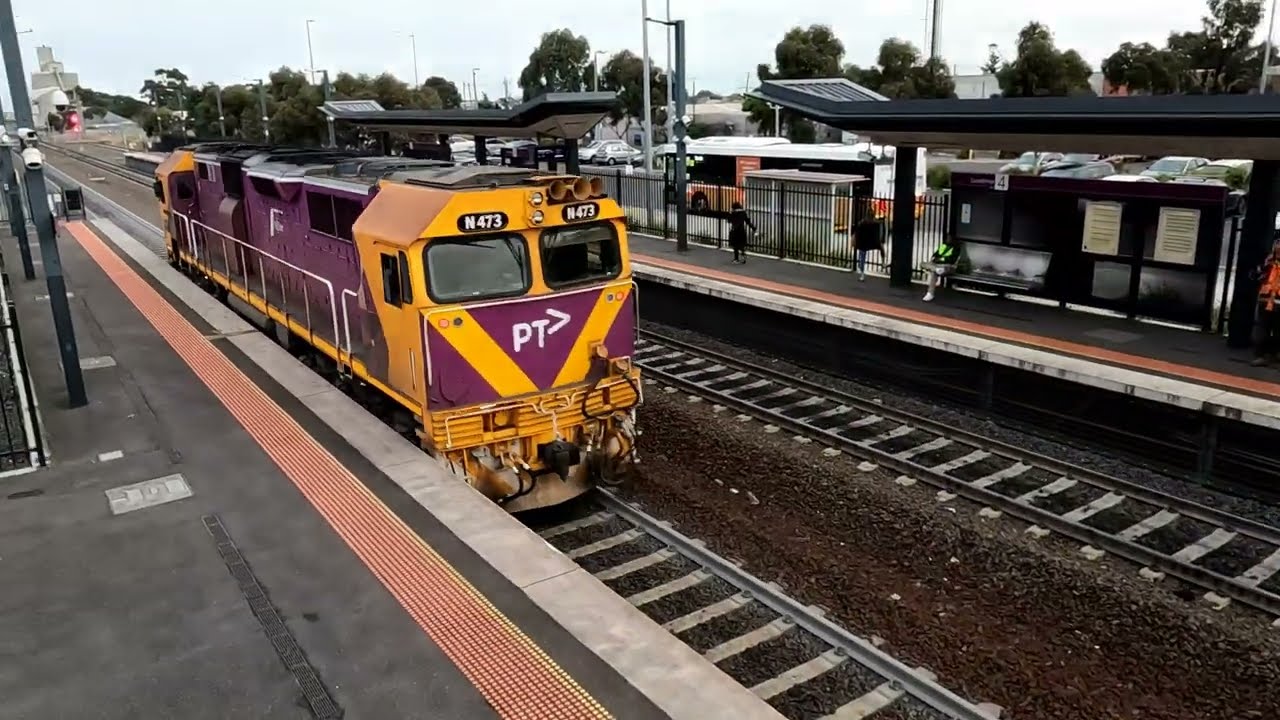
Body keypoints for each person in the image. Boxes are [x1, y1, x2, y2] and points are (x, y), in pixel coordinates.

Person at [1251, 238, 1280, 366]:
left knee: (1278, 331)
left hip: (1278, 303)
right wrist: (1264, 266)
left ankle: (1275, 355)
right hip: (1265, 301)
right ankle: (1262, 356)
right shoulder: (1268, 264)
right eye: (1277, 249)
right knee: (1262, 330)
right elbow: (1253, 276)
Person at [923, 236, 961, 302]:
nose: (947, 239)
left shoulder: (956, 248)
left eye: (949, 238)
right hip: (937, 265)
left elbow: (951, 260)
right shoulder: (943, 246)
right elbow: (934, 255)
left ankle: (930, 293)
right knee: (923, 263)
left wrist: (939, 259)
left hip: (947, 266)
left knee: (934, 273)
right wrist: (936, 259)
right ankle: (936, 269)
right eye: (947, 238)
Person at [852, 209, 883, 281]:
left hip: (864, 242)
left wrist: (855, 239)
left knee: (862, 256)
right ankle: (883, 262)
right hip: (871, 241)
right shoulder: (874, 222)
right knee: (882, 248)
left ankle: (862, 273)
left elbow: (857, 232)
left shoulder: (863, 222)